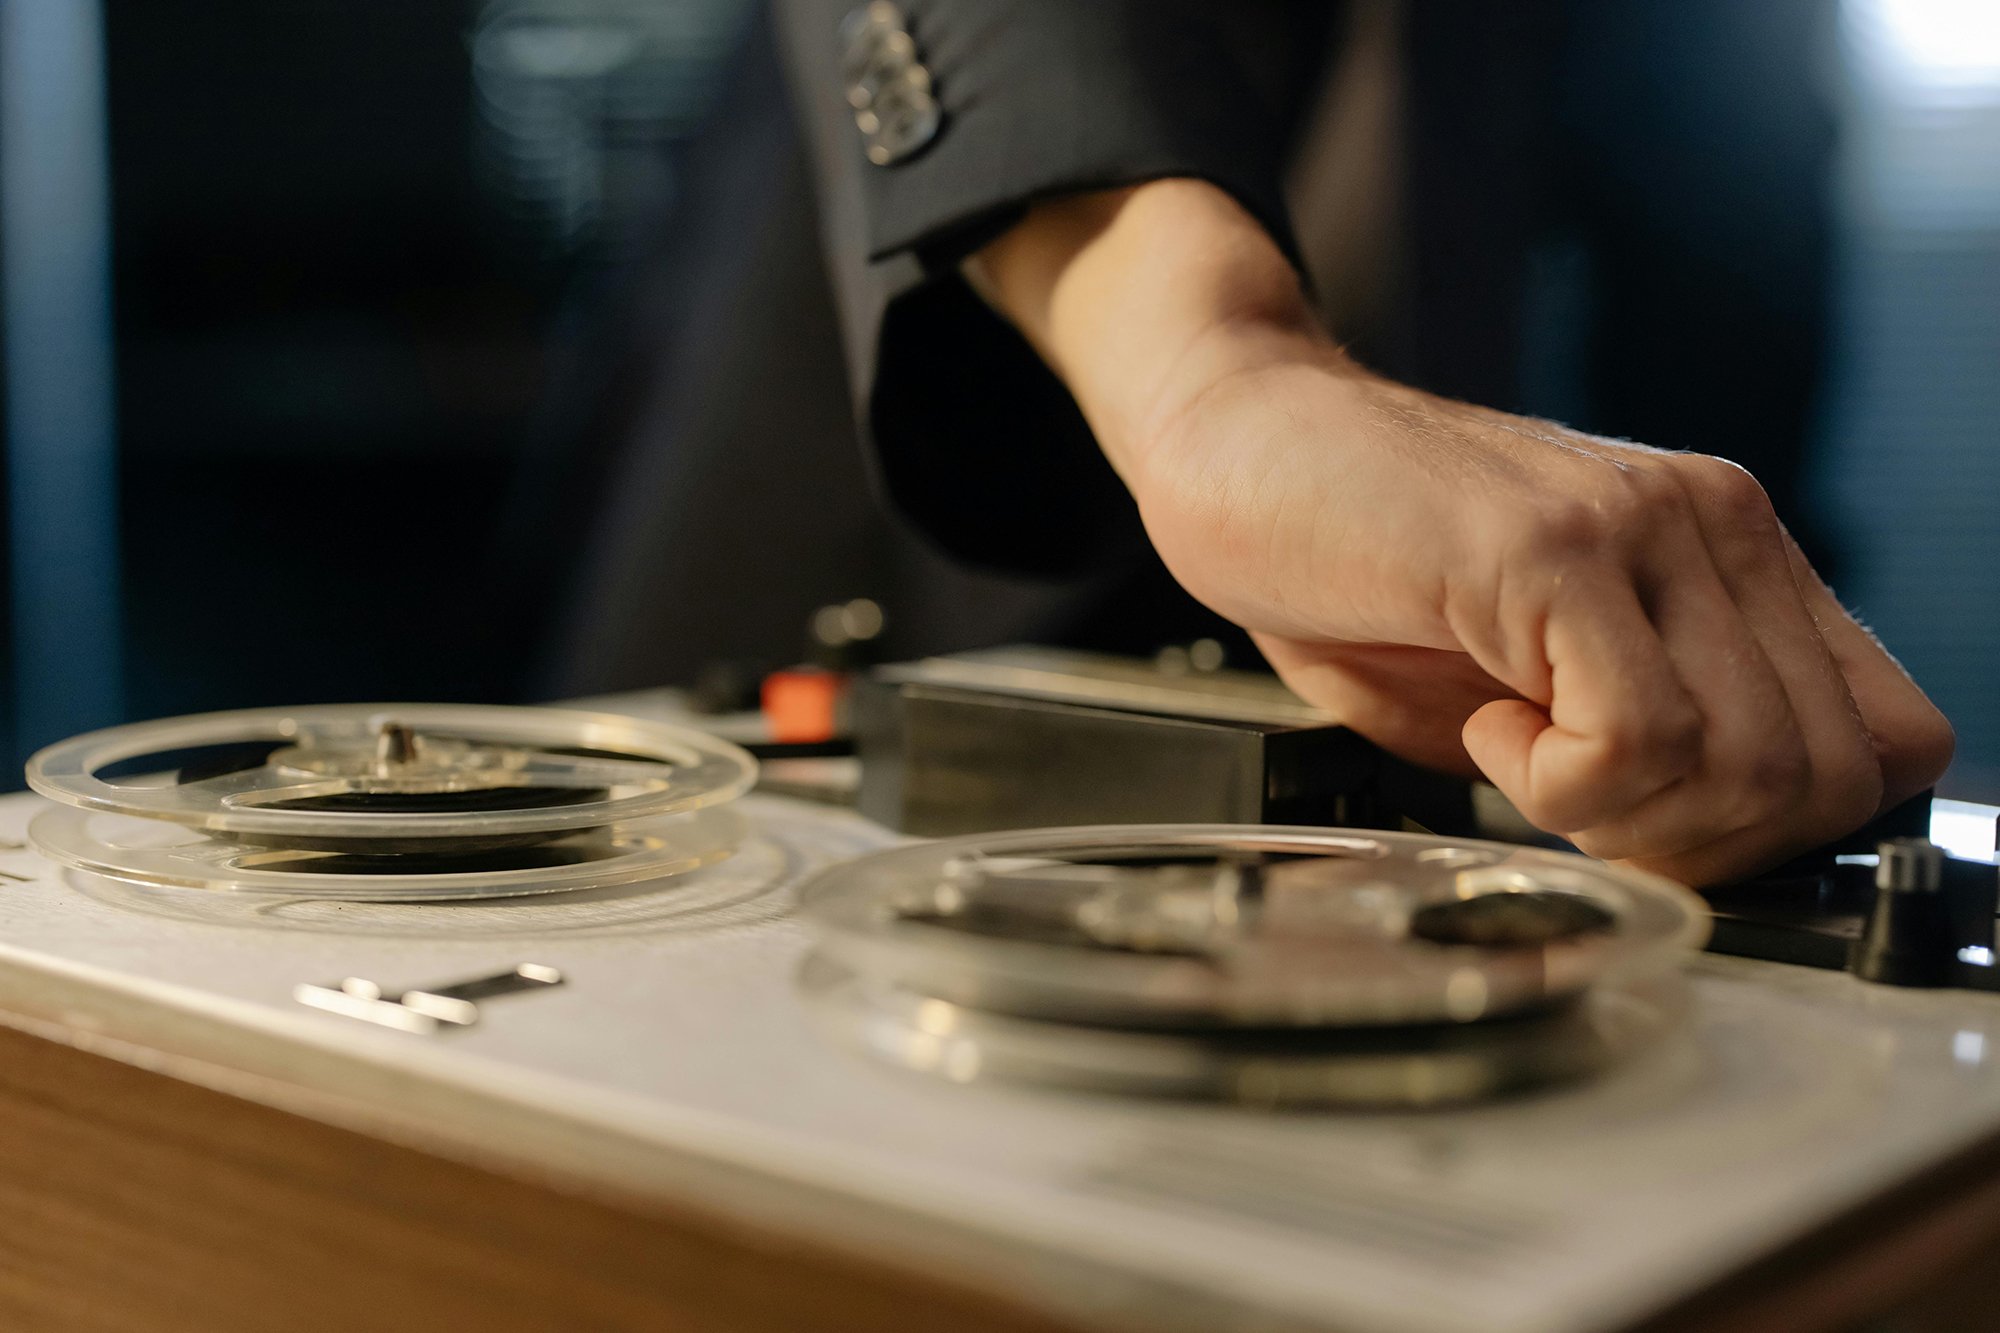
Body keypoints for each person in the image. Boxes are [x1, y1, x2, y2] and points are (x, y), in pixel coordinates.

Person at [772, 0, 1955, 886]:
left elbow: (1728, 227)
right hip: (893, 491)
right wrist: (1211, 371)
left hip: (1423, 647)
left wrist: (1737, 670)